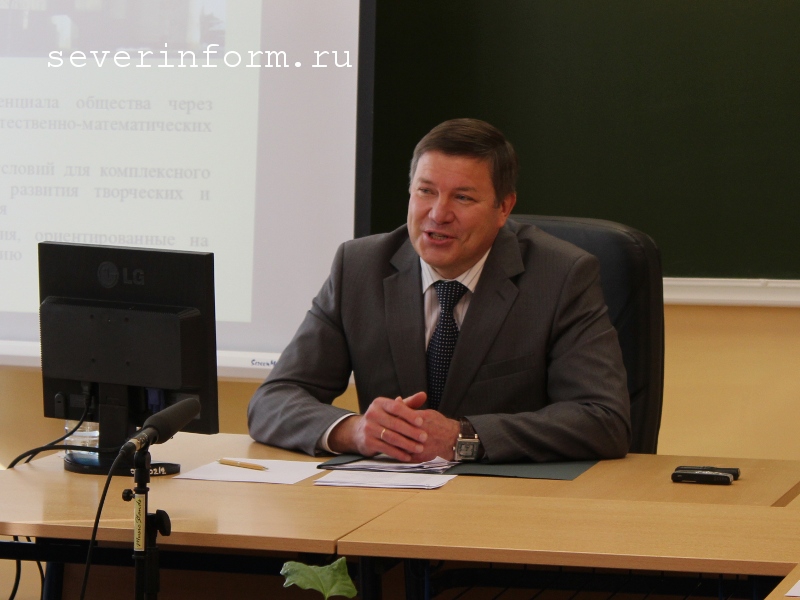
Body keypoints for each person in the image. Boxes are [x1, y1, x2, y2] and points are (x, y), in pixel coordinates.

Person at [248, 118, 630, 463]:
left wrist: (463, 438)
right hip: (384, 497)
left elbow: (603, 419)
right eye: (426, 191)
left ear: (503, 207)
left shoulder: (560, 276)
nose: (438, 214)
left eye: (462, 197)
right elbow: (273, 400)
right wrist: (355, 430)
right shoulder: (359, 267)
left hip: (511, 499)